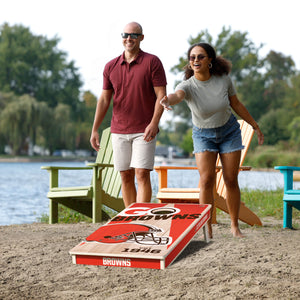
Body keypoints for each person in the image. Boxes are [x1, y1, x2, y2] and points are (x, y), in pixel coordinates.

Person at [160, 43, 264, 238]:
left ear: (209, 60)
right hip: (203, 135)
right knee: (206, 180)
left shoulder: (223, 80)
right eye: (192, 58)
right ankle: (206, 228)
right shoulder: (187, 85)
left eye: (200, 57)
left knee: (231, 179)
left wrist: (254, 125)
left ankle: (234, 226)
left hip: (229, 132)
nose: (196, 60)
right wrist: (167, 100)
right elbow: (177, 96)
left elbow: (236, 104)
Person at [90, 22, 167, 208]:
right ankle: (131, 218)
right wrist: (94, 130)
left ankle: (142, 216)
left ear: (141, 37)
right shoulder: (111, 66)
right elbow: (104, 100)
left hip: (144, 129)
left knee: (141, 173)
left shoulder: (152, 62)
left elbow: (161, 96)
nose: (129, 38)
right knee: (125, 175)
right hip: (119, 130)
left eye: (134, 35)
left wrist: (154, 123)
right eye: (125, 34)